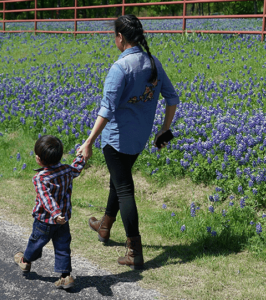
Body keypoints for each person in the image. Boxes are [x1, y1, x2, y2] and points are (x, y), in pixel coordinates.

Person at [77, 14, 180, 270]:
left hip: (116, 140)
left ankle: (134, 250)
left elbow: (106, 109)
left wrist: (89, 141)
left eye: (115, 36)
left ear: (120, 38)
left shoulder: (120, 68)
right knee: (118, 180)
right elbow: (172, 98)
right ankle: (104, 226)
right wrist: (163, 130)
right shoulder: (152, 62)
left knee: (124, 188)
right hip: (139, 138)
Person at [14, 135, 85, 289]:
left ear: (38, 159)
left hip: (44, 220)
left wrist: (55, 213)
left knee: (36, 242)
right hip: (63, 220)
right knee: (63, 247)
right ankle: (65, 277)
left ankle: (25, 262)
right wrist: (81, 156)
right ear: (61, 155)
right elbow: (77, 168)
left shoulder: (40, 178)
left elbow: (46, 198)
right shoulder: (67, 169)